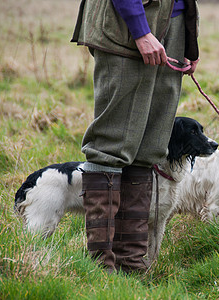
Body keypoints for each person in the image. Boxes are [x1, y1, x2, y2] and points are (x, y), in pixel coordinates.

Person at [71, 0, 199, 274]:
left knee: (148, 147)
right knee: (111, 145)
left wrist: (188, 38)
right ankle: (101, 269)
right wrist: (140, 30)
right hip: (127, 23)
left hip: (172, 26)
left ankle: (131, 267)